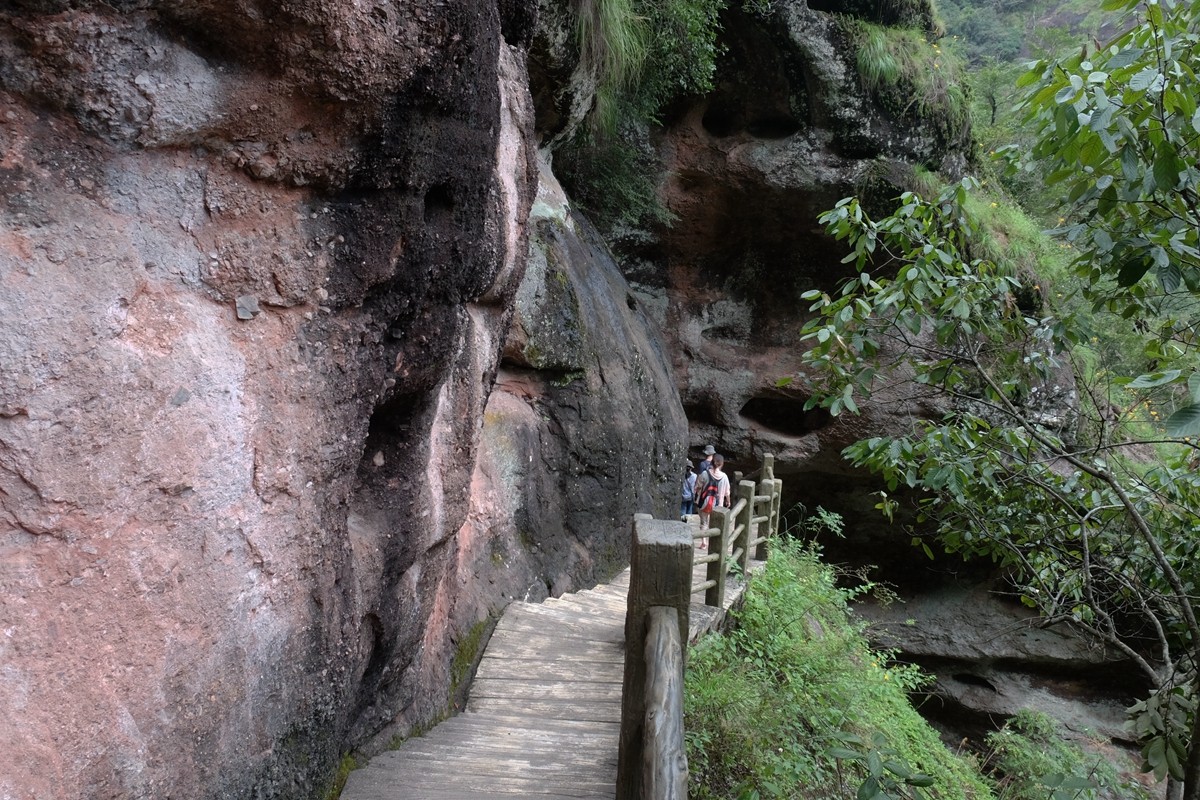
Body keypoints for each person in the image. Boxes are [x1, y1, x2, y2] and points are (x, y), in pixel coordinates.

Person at [696, 454, 731, 533]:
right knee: (716, 525)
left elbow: (698, 486)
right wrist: (728, 501)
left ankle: (704, 542)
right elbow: (727, 491)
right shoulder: (724, 477)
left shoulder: (705, 473)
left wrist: (697, 495)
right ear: (722, 464)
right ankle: (712, 542)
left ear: (711, 462)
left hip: (704, 502)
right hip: (718, 505)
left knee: (704, 523)